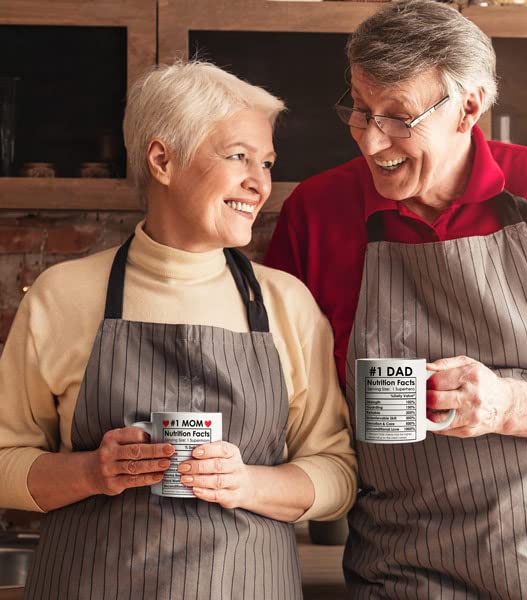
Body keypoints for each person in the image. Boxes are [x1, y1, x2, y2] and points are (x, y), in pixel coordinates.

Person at [264, 1, 527, 597]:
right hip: (399, 569)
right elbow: (283, 404)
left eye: (397, 117)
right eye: (361, 111)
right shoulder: (316, 213)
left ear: (468, 107)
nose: (371, 141)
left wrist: (503, 403)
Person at [0, 61, 357, 600]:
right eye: (238, 156)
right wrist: (92, 473)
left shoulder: (286, 303)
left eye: (266, 162)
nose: (259, 182)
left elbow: (337, 473)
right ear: (163, 160)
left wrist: (247, 483)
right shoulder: (64, 295)